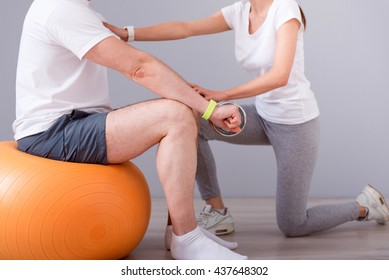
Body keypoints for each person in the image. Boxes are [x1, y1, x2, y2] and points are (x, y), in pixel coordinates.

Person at [104, 0, 389, 242]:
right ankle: (217, 212)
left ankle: (365, 205)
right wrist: (127, 33)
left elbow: (280, 75)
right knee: (191, 121)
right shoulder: (240, 11)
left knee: (292, 224)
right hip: (263, 115)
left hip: (295, 125)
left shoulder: (285, 10)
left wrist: (222, 95)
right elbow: (185, 28)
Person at [13, 0, 248, 260]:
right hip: (53, 133)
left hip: (76, 123)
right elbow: (139, 67)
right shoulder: (60, 8)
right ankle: (187, 238)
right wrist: (210, 110)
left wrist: (200, 106)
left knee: (184, 109)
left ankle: (179, 232)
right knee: (176, 114)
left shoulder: (77, 9)